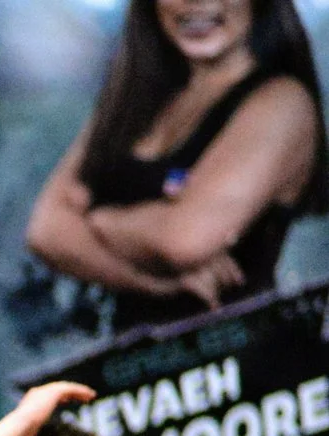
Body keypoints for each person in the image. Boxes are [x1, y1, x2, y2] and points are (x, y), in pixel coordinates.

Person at [26, 0, 326, 332]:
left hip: (235, 353)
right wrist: (153, 282)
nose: (195, 1)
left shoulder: (283, 103)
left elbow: (183, 241)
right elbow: (45, 231)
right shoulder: (135, 97)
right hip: (127, 353)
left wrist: (99, 219)